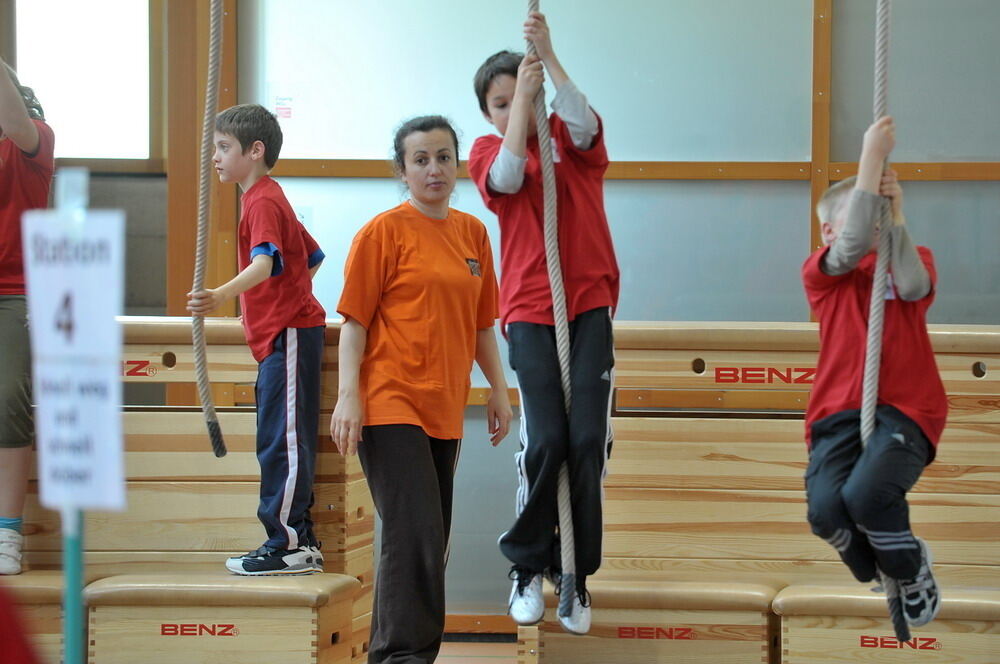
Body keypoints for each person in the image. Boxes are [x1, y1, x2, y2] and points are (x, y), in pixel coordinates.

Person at [331, 115, 512, 664]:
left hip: (444, 408)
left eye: (443, 157)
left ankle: (405, 653)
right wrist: (348, 396)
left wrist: (500, 390)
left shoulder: (473, 233)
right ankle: (400, 657)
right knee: (414, 535)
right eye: (421, 159)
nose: (434, 169)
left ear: (457, 164)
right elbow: (354, 324)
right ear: (402, 170)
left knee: (431, 542)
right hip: (389, 403)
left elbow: (482, 325)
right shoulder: (382, 233)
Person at [467, 11, 619, 634]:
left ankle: (575, 575)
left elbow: (584, 120)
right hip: (530, 312)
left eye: (517, 95)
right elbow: (503, 180)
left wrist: (549, 62)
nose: (514, 109)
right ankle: (527, 566)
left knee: (587, 442)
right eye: (499, 103)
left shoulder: (565, 137)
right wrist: (520, 105)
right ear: (488, 114)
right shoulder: (487, 151)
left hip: (589, 307)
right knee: (548, 438)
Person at [803, 115, 946, 627]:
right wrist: (869, 159)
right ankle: (881, 564)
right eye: (865, 216)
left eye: (879, 217)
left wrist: (899, 215)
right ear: (827, 229)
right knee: (825, 512)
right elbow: (849, 245)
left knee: (866, 496)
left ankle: (909, 569)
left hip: (906, 408)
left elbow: (910, 286)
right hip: (836, 412)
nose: (873, 227)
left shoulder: (912, 258)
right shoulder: (823, 272)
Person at [187, 104, 326, 575]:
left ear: (255, 150)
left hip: (287, 334)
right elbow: (312, 255)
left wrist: (219, 296)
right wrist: (288, 299)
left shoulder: (263, 200)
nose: (216, 158)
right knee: (281, 438)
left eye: (224, 148)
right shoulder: (265, 198)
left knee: (281, 442)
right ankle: (296, 539)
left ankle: (287, 543)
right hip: (282, 333)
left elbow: (267, 264)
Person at [0, 58, 55, 576]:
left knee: (9, 393)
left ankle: (7, 532)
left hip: (15, 292)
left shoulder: (33, 140)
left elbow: (15, 123)